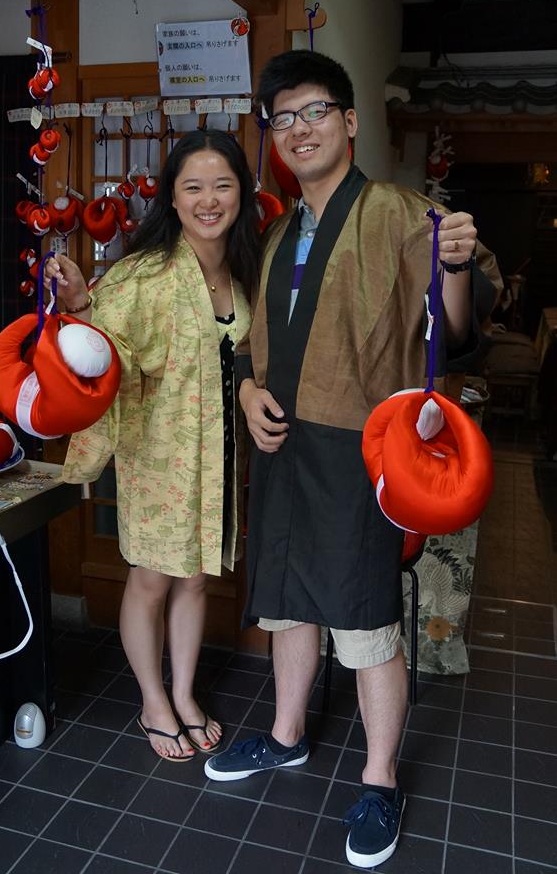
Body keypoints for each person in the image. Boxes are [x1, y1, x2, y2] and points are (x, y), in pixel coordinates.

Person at [203, 51, 502, 868]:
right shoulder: (276, 232)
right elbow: (253, 341)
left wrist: (453, 266)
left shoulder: (405, 214)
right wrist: (248, 391)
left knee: (365, 622)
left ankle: (379, 779)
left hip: (361, 453)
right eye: (283, 118)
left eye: (315, 112)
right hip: (284, 449)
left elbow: (453, 328)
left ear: (350, 121)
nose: (299, 129)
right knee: (289, 609)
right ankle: (286, 735)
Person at [44, 129, 260, 762]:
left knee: (195, 579)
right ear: (172, 196)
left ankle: (185, 693)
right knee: (151, 581)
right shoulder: (143, 273)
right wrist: (81, 305)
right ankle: (152, 702)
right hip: (160, 456)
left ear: (242, 193)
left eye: (222, 185)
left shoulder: (245, 270)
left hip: (220, 456)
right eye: (193, 187)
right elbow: (101, 352)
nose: (208, 200)